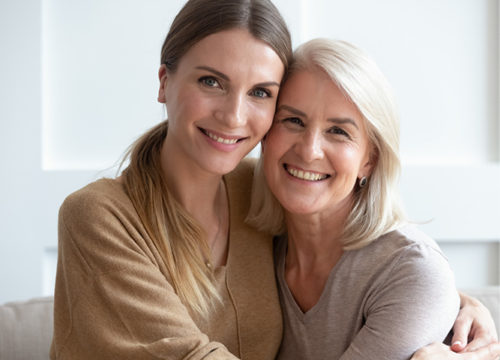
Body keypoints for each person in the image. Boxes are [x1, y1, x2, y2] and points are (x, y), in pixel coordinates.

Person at [50, 0, 498, 359]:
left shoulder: (258, 191)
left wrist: (458, 306)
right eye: (211, 81)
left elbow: (386, 268)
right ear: (164, 81)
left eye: (261, 92)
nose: (234, 115)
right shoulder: (99, 216)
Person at [247, 38, 500, 360]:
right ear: (266, 135)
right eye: (294, 121)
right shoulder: (247, 240)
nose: (309, 150)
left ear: (370, 160)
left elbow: (423, 279)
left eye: (338, 131)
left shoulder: (411, 270)